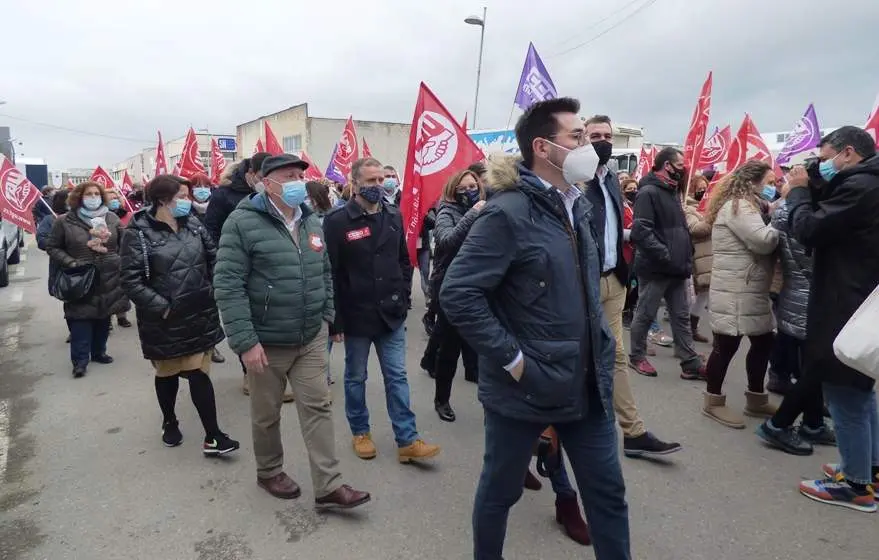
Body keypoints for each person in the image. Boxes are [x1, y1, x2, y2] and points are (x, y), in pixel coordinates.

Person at [441, 98, 629, 559]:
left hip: (586, 383)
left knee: (608, 496)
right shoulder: (506, 213)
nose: (589, 146)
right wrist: (515, 361)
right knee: (500, 493)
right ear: (543, 148)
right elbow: (458, 293)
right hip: (524, 389)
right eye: (578, 137)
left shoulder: (578, 204)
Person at [214, 154, 370, 508]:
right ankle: (269, 471)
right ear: (267, 182)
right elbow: (228, 285)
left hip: (310, 335)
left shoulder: (312, 220)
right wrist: (245, 342)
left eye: (301, 174)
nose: (298, 180)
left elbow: (325, 271)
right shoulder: (241, 222)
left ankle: (329, 485)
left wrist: (327, 315)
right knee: (266, 414)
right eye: (289, 175)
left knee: (318, 407)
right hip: (266, 341)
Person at [323, 157, 441, 464]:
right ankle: (360, 432)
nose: (378, 186)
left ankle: (407, 439)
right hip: (357, 315)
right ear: (356, 183)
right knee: (355, 377)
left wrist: (402, 295)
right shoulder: (337, 221)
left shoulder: (392, 214)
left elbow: (404, 260)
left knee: (397, 377)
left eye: (381, 180)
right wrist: (335, 320)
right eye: (372, 181)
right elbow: (331, 273)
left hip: (391, 313)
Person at [787, 127, 879, 512]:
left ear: (848, 154)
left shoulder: (861, 187)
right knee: (861, 390)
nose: (822, 165)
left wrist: (798, 192)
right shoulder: (867, 183)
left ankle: (855, 485)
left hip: (845, 298)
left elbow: (810, 228)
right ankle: (869, 469)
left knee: (845, 394)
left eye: (826, 157)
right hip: (859, 295)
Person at [582, 115, 682, 457]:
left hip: (614, 280)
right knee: (577, 357)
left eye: (607, 135)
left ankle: (633, 432)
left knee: (617, 356)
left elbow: (607, 228)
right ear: (582, 139)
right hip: (584, 284)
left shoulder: (609, 177)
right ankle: (541, 436)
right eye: (594, 135)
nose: (602, 140)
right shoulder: (575, 180)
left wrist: (629, 236)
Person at [119, 174, 238, 455]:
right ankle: (169, 420)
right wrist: (162, 306)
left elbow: (214, 258)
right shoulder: (138, 232)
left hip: (199, 312)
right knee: (168, 373)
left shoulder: (194, 225)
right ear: (163, 199)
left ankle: (213, 436)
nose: (188, 201)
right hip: (164, 319)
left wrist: (213, 289)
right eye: (182, 196)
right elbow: (130, 280)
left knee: (198, 372)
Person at [755, 179, 835, 455]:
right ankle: (783, 425)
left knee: (809, 365)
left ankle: (813, 423)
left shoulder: (783, 212)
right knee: (812, 368)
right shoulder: (808, 216)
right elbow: (815, 259)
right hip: (810, 297)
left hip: (794, 293)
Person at [205, 152, 291, 398]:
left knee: (270, 317)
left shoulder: (278, 193)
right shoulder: (224, 195)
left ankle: (276, 374)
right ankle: (250, 373)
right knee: (248, 318)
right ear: (252, 174)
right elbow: (210, 228)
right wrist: (225, 255)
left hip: (272, 265)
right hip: (239, 264)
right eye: (263, 175)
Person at [700, 161, 779, 428]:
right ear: (754, 182)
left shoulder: (749, 204)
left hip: (750, 288)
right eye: (769, 182)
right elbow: (763, 241)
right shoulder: (740, 206)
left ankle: (756, 399)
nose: (773, 188)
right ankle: (713, 402)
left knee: (763, 342)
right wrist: (780, 220)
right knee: (726, 346)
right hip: (736, 289)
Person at [629, 147, 705, 379]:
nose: (684, 169)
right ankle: (637, 356)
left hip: (676, 267)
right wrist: (666, 254)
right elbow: (641, 232)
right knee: (645, 313)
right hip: (657, 268)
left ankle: (689, 361)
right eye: (680, 165)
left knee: (681, 315)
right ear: (667, 166)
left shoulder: (672, 191)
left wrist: (685, 252)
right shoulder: (649, 192)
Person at [46, 181, 130, 377]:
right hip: (79, 276)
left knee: (103, 316)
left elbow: (125, 242)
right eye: (88, 194)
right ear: (79, 198)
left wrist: (118, 258)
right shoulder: (65, 221)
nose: (93, 198)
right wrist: (71, 262)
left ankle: (99, 352)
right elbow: (53, 247)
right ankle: (80, 361)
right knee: (80, 320)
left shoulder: (111, 218)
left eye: (96, 194)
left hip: (108, 275)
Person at [429, 169, 484, 422]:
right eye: (463, 188)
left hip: (480, 285)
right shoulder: (446, 212)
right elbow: (446, 240)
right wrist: (473, 214)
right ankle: (442, 400)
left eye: (473, 186)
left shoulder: (488, 208)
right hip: (452, 287)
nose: (469, 192)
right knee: (449, 348)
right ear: (453, 190)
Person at [187, 172, 226, 364]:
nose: (201, 190)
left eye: (205, 185)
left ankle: (211, 346)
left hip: (214, 262)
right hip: (190, 266)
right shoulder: (185, 210)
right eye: (197, 186)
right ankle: (197, 346)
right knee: (195, 308)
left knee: (212, 308)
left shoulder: (218, 206)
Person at [683, 174, 712, 343]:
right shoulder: (689, 208)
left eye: (705, 187)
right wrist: (712, 218)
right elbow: (695, 229)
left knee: (705, 295)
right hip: (697, 257)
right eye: (699, 187)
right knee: (695, 295)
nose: (702, 190)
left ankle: (693, 327)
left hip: (710, 257)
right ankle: (688, 329)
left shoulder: (709, 206)